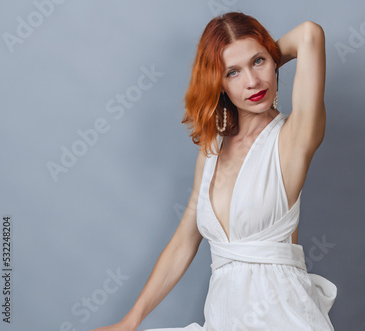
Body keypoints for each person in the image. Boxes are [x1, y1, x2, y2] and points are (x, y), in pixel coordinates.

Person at [93, 11, 336, 331]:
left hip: (283, 319)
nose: (252, 81)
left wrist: (267, 58)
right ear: (217, 83)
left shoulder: (293, 137)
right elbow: (184, 240)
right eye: (233, 72)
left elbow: (309, 34)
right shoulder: (212, 148)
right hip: (223, 321)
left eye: (258, 61)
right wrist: (131, 321)